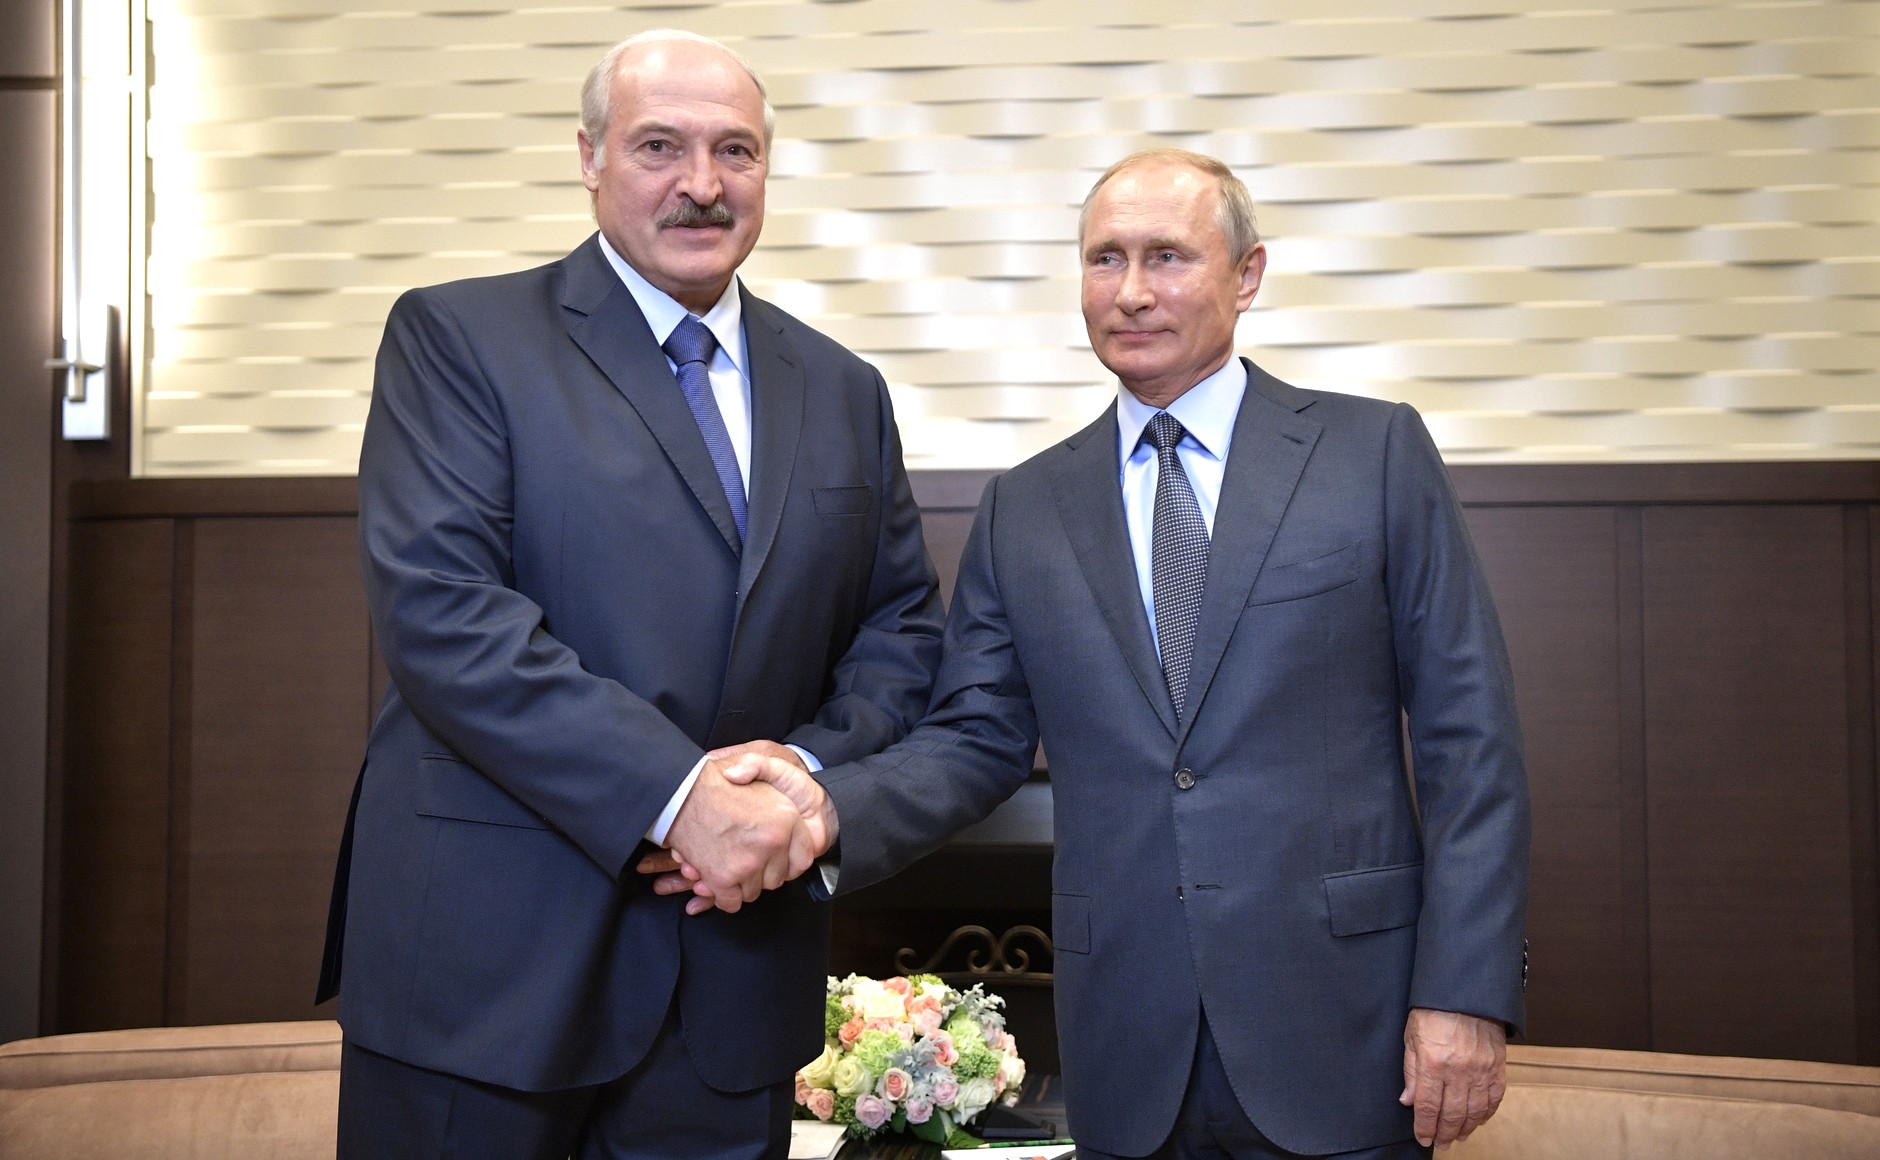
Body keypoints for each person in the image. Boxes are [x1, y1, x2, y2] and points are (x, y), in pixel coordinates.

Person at [654, 149, 1531, 1159]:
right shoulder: (1025, 506)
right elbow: (974, 739)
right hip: (1126, 1048)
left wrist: (1464, 991)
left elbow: (1471, 741)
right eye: (1104, 258)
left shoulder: (1370, 455)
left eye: (1168, 256)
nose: (1131, 291)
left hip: (1345, 1025)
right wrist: (819, 809)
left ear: (1246, 274)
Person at [315, 28, 943, 1160]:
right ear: (590, 157)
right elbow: (446, 614)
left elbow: (898, 630)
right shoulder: (457, 338)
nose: (702, 183)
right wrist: (678, 796)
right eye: (660, 145)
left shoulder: (844, 387)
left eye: (734, 150)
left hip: (729, 979)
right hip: (485, 973)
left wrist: (794, 786)